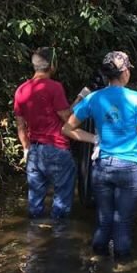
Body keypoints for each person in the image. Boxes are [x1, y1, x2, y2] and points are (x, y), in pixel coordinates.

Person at [62, 51, 137, 268]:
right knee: (123, 219)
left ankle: (98, 255)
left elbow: (67, 128)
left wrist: (94, 138)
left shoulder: (93, 98)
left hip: (102, 166)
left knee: (104, 217)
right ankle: (122, 262)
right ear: (124, 71)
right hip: (129, 167)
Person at [14, 47, 86, 219]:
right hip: (57, 150)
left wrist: (26, 149)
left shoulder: (21, 90)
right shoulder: (54, 88)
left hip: (34, 151)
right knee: (61, 206)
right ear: (52, 65)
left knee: (35, 205)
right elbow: (66, 117)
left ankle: (34, 240)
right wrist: (80, 99)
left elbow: (21, 126)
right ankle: (59, 242)